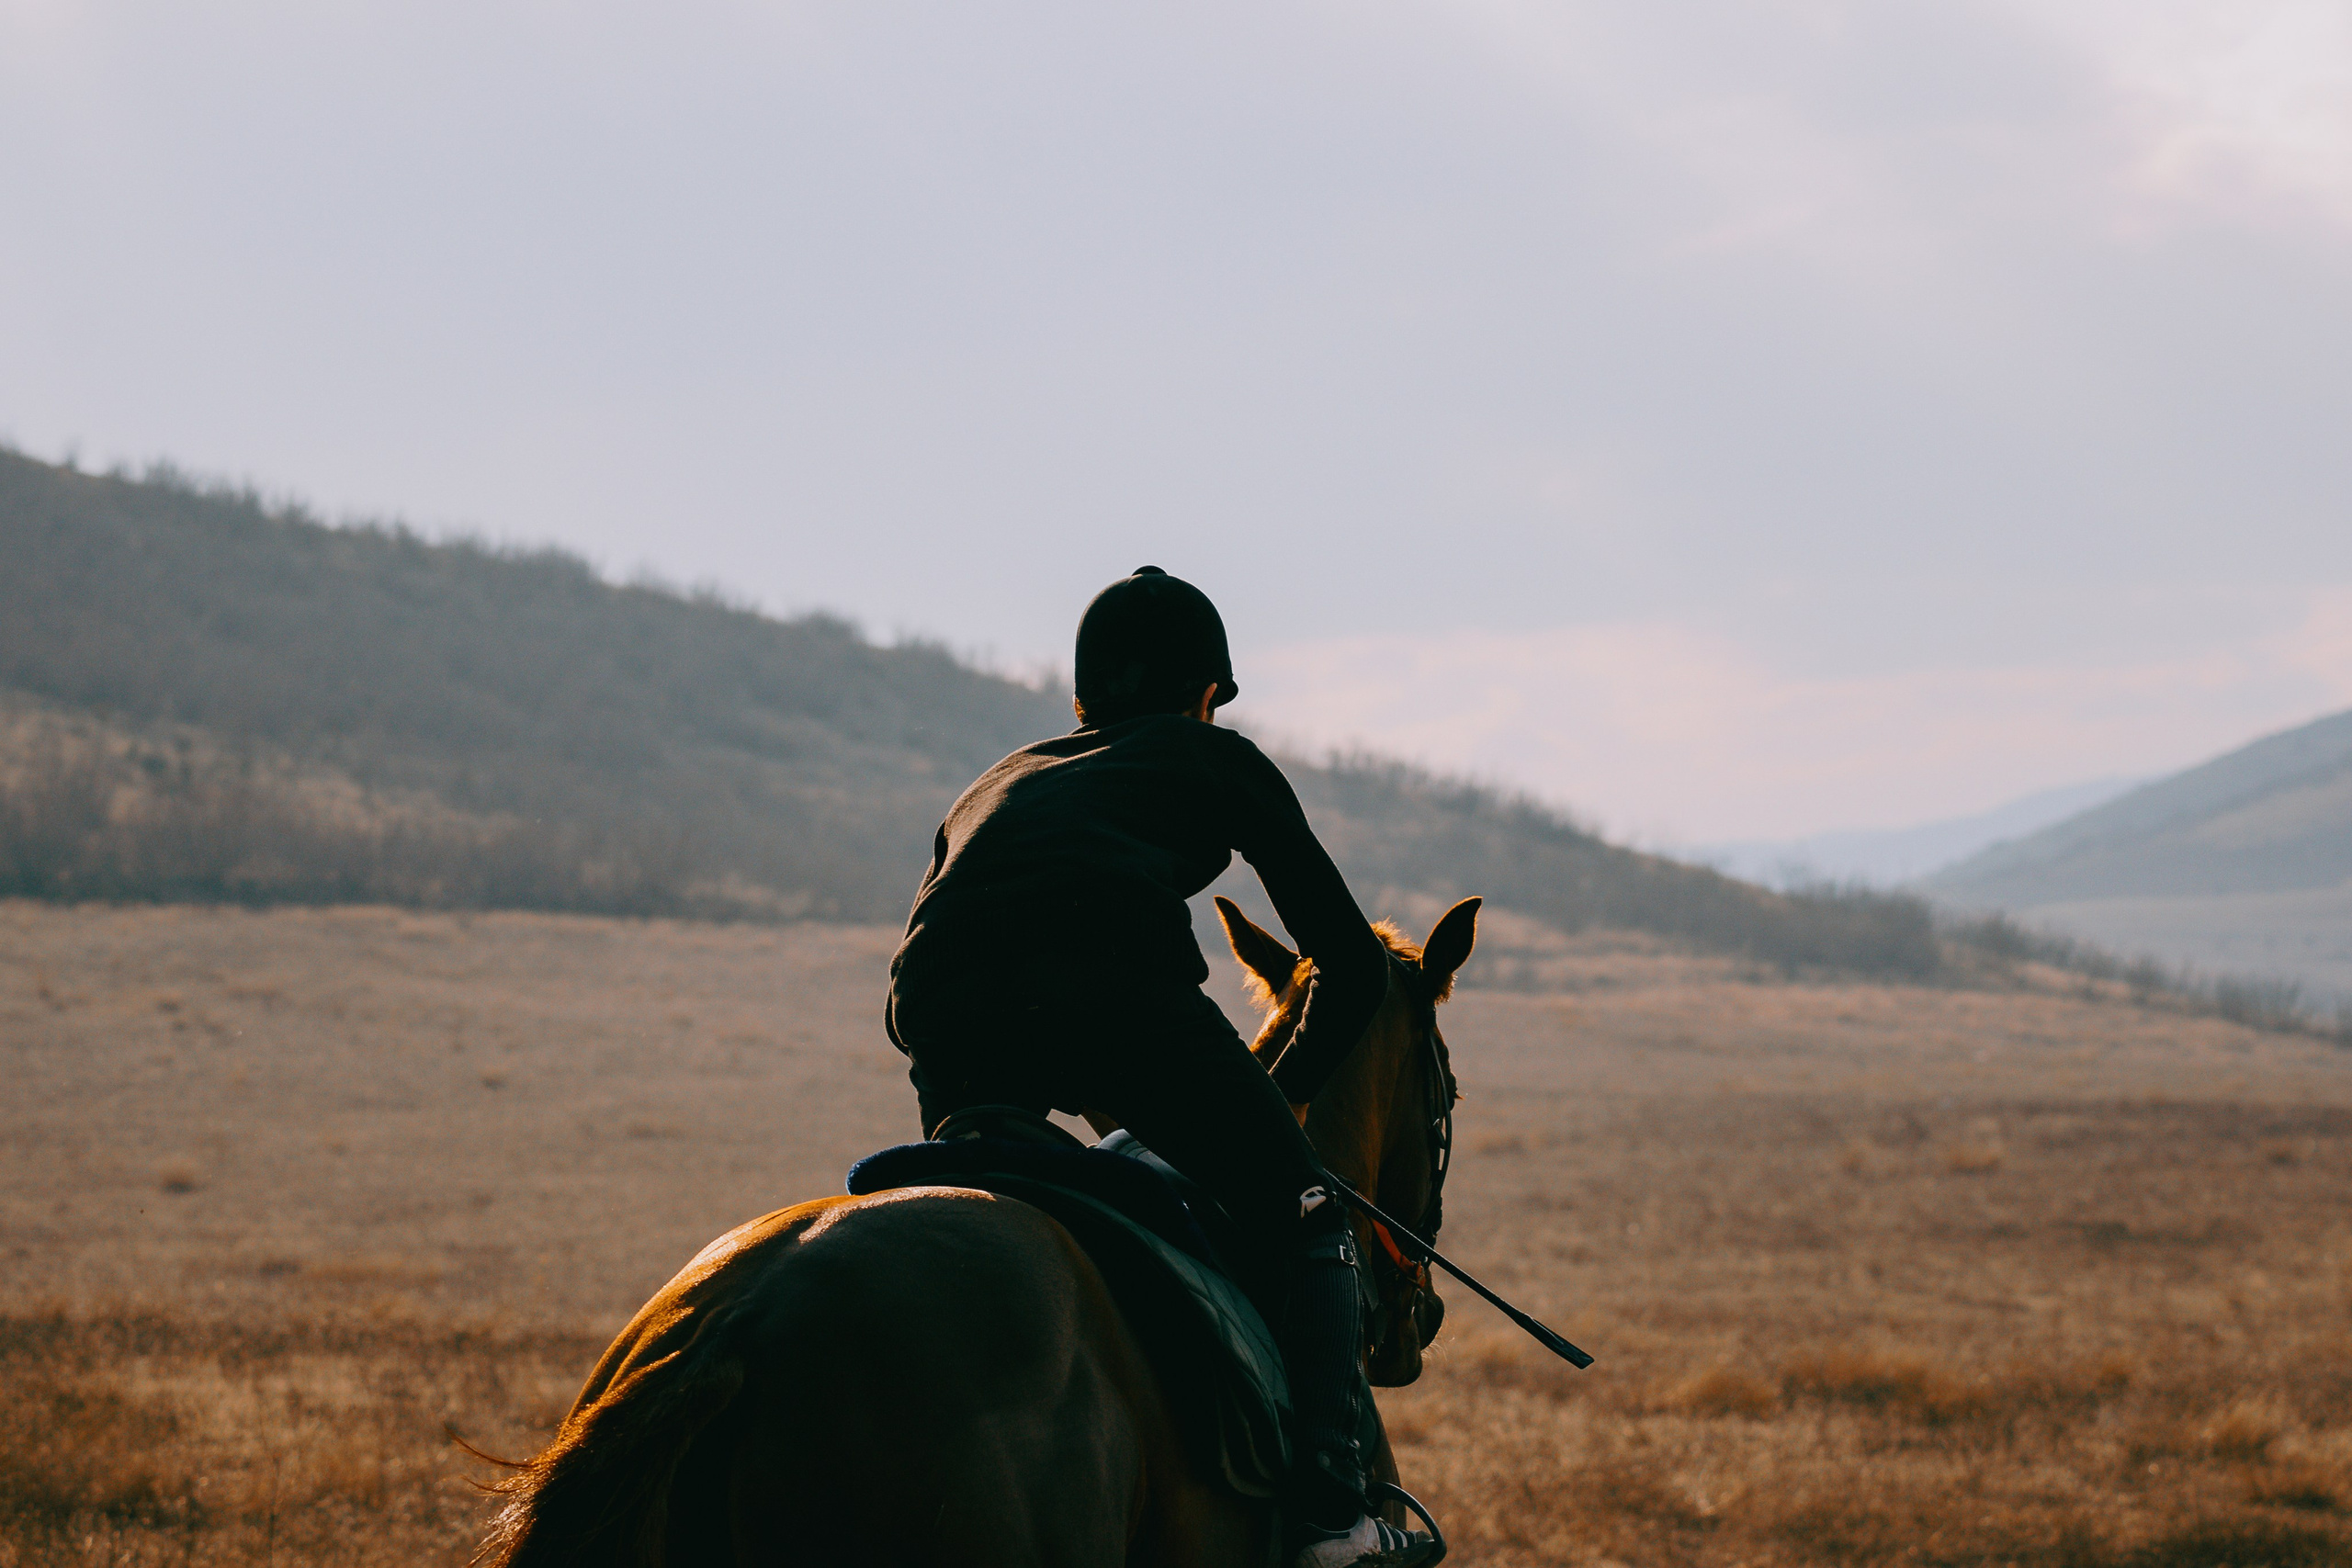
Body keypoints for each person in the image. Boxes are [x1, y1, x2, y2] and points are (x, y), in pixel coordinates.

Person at [885, 567, 1441, 1568]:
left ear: (1082, 699)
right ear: (1208, 694)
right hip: (1109, 997)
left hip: (938, 1012)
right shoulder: (1212, 758)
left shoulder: (1002, 776)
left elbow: (941, 939)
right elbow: (1353, 969)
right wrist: (1279, 1100)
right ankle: (1332, 1520)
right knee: (1309, 1215)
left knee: (1002, 1178)